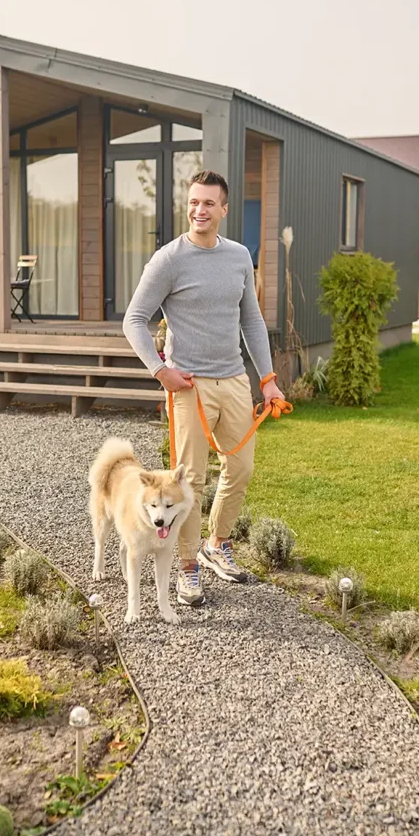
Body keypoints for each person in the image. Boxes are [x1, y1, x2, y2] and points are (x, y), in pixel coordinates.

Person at [122, 170, 285, 607]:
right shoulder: (169, 260)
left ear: (224, 209)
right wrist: (161, 370)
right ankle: (189, 566)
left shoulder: (237, 258)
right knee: (189, 480)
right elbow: (133, 320)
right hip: (188, 384)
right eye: (194, 202)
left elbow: (251, 320)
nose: (199, 210)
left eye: (209, 203)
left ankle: (218, 543)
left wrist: (267, 380)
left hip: (233, 379)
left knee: (242, 467)